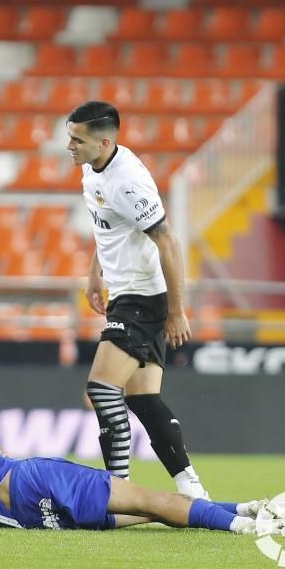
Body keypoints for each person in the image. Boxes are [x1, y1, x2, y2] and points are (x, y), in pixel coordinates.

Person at [67, 101, 209, 499]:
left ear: (104, 142)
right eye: (70, 137)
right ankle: (191, 488)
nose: (70, 146)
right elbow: (107, 225)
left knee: (101, 390)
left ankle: (118, 489)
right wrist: (96, 272)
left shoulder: (127, 182)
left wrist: (176, 310)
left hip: (143, 296)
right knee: (143, 398)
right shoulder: (93, 169)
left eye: (77, 139)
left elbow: (168, 240)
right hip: (124, 292)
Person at [0, 423, 285, 536]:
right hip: (30, 479)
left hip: (29, 518)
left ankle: (237, 509)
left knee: (145, 511)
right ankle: (246, 525)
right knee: (153, 500)